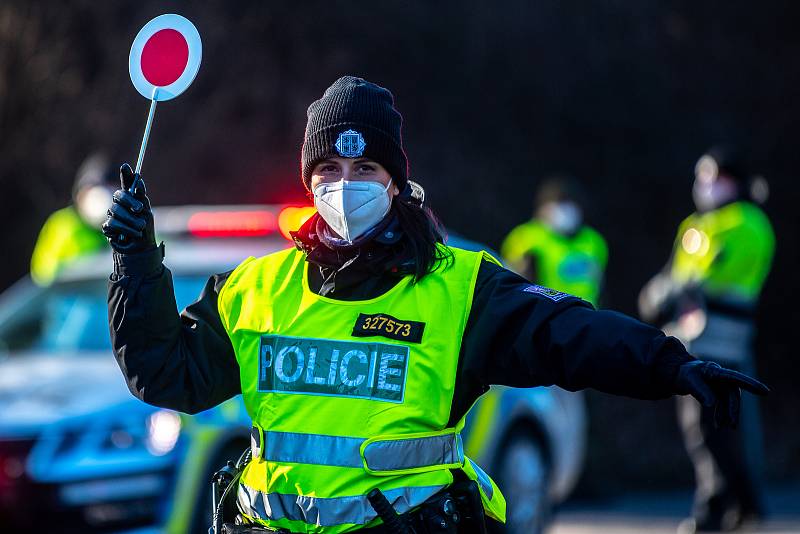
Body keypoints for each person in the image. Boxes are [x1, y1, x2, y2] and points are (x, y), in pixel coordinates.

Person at [103, 77, 767, 534]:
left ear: (396, 182)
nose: (345, 186)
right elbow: (167, 373)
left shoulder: (458, 287)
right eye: (328, 172)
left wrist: (670, 365)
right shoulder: (256, 288)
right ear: (308, 185)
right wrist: (136, 261)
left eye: (365, 171)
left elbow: (569, 333)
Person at [639, 147, 775, 533]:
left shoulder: (747, 222)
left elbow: (704, 277)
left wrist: (669, 292)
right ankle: (741, 505)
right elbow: (674, 278)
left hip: (724, 345)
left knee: (714, 430)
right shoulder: (694, 226)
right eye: (703, 176)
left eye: (716, 176)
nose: (707, 185)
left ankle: (719, 508)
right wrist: (664, 293)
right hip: (692, 344)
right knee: (706, 431)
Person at [500, 176, 607, 306]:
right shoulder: (526, 237)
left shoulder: (592, 240)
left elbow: (599, 284)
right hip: (548, 316)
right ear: (543, 207)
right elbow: (513, 280)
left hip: (587, 313)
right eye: (558, 203)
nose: (564, 210)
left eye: (568, 203)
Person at [31, 152, 114, 285]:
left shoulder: (118, 228)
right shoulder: (63, 224)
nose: (100, 201)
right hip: (69, 299)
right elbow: (43, 274)